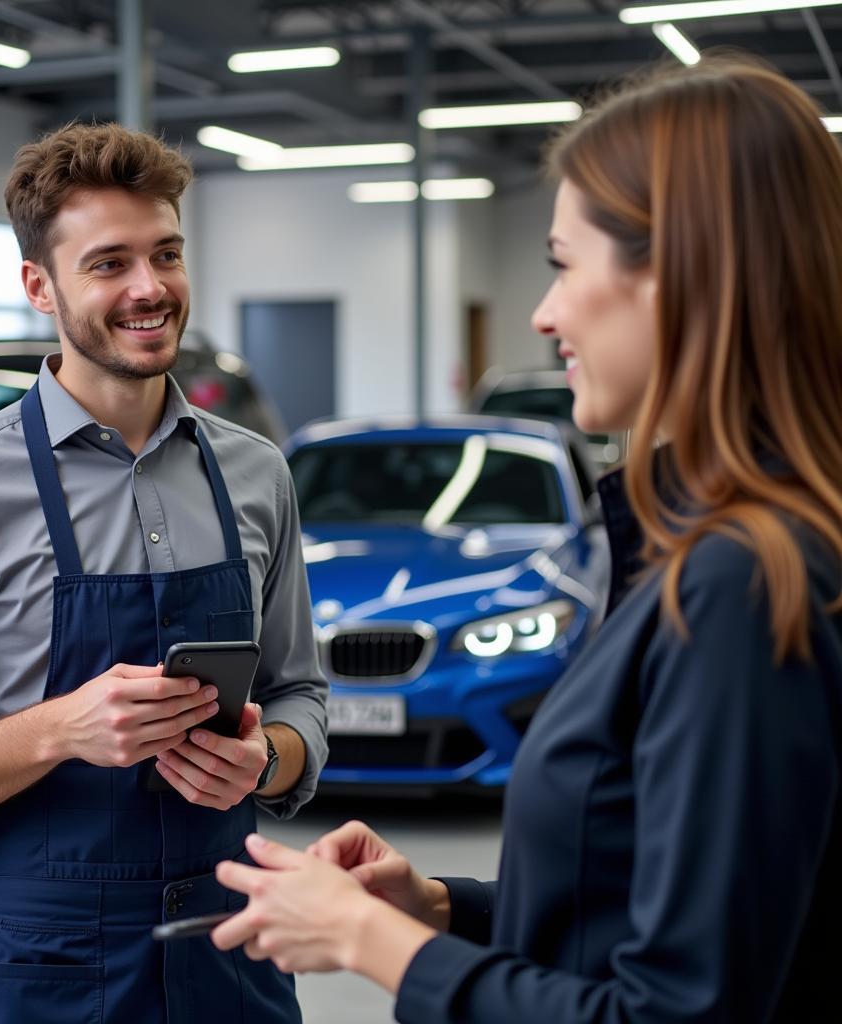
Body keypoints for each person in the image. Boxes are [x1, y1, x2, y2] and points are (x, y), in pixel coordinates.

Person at [209, 55, 842, 1023]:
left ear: (676, 274)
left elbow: (675, 1012)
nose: (544, 315)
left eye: (560, 263)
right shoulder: (703, 552)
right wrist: (435, 909)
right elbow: (642, 911)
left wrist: (374, 944)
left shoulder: (741, 583)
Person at [0, 122, 328, 1024]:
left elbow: (300, 690)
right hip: (42, 959)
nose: (150, 289)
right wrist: (60, 729)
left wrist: (267, 759)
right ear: (40, 285)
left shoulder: (258, 472)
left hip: (232, 946)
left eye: (167, 254)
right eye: (109, 263)